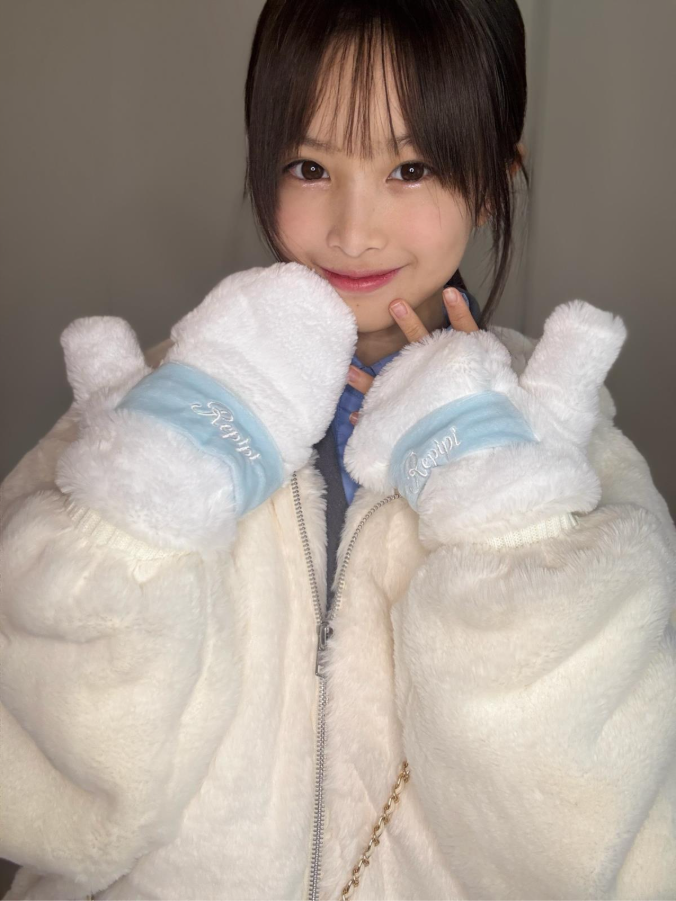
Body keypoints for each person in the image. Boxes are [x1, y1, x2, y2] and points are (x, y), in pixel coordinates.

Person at [1, 1, 674, 899]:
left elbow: (584, 846)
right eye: (310, 166)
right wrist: (153, 485)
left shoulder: (563, 447)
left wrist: (501, 506)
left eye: (411, 168)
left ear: (492, 181)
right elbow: (40, 792)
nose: (353, 231)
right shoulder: (147, 408)